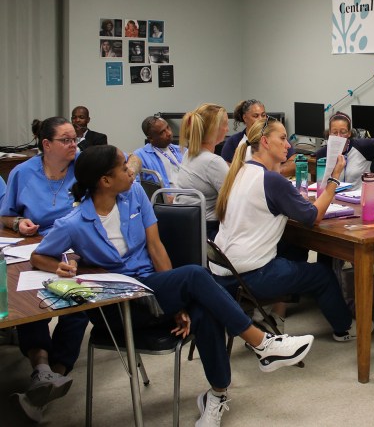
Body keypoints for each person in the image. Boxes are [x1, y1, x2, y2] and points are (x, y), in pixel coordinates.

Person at [29, 145, 314, 427]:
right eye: (124, 168)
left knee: (204, 308)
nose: (132, 170)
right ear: (105, 180)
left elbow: (156, 249)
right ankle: (261, 344)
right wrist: (57, 266)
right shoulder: (75, 222)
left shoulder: (135, 195)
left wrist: (176, 303)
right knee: (194, 276)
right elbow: (38, 255)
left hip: (152, 289)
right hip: (118, 307)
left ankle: (217, 396)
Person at [213, 118, 360, 341]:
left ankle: (276, 315)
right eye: (282, 138)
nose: (288, 145)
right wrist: (334, 179)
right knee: (322, 274)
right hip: (251, 276)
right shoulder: (272, 180)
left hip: (224, 271)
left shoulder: (240, 172)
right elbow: (312, 216)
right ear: (264, 142)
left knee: (292, 248)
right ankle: (344, 328)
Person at [1, 117, 89, 421]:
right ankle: (41, 367)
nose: (73, 145)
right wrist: (17, 223)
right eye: (65, 140)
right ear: (46, 144)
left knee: (79, 298)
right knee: (27, 296)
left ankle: (58, 371)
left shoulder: (83, 168)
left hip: (75, 245)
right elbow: (6, 216)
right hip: (34, 245)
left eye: (75, 139)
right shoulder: (23, 172)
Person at [176, 104, 229, 240]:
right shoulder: (213, 162)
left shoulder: (189, 154)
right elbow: (234, 200)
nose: (227, 129)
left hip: (188, 227)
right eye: (225, 124)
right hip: (209, 231)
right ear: (215, 129)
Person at [314, 111, 374, 190]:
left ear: (349, 133)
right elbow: (321, 183)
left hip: (358, 198)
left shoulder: (362, 146)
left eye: (343, 132)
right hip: (332, 197)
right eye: (334, 132)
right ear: (329, 133)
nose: (339, 136)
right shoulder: (322, 154)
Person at [221, 100, 296, 177]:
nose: (261, 119)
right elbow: (228, 174)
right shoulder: (234, 142)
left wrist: (272, 173)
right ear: (245, 118)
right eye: (255, 116)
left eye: (263, 115)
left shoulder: (276, 138)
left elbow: (294, 162)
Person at [128, 115, 185, 187]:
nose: (169, 133)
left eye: (168, 127)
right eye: (162, 132)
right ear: (151, 138)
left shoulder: (182, 150)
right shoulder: (140, 156)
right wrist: (164, 197)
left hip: (188, 193)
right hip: (164, 196)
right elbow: (136, 185)